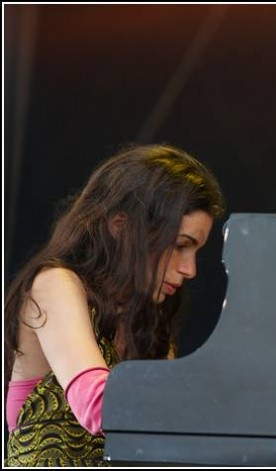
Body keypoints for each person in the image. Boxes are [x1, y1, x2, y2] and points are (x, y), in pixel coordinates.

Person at [4, 144, 226, 466]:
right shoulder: (55, 283)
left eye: (195, 252)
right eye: (180, 246)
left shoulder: (149, 316)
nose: (190, 269)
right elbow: (98, 407)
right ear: (121, 227)